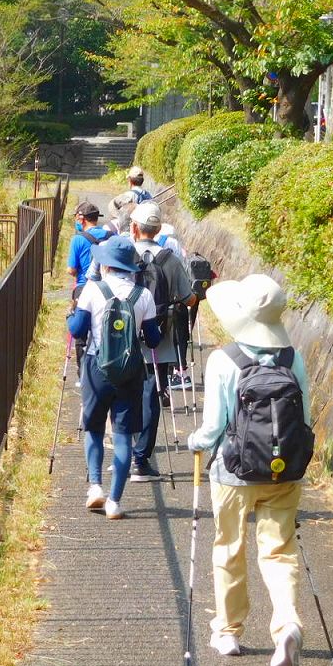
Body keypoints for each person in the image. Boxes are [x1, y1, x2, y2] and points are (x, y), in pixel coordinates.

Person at [186, 274, 311, 666]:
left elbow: (213, 427)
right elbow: (304, 421)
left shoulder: (224, 360)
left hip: (234, 472)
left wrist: (193, 442)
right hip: (284, 472)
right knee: (278, 551)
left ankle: (228, 631)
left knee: (229, 547)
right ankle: (287, 623)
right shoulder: (295, 360)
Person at [66, 235, 162, 520]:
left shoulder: (93, 290)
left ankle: (95, 486)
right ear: (131, 267)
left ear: (107, 266)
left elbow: (78, 330)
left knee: (94, 429)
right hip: (130, 372)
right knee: (123, 437)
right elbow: (154, 340)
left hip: (97, 367)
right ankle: (115, 502)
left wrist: (71, 317)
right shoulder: (143, 296)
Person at [129, 202, 197, 480]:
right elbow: (188, 298)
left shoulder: (125, 253)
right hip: (160, 338)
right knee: (151, 394)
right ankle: (140, 459)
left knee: (122, 392)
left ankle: (124, 450)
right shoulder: (170, 259)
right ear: (158, 230)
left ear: (134, 228)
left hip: (125, 336)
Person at [66, 201, 114, 300]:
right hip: (108, 288)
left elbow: (71, 270)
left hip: (84, 287)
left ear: (81, 219)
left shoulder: (77, 239)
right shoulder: (111, 235)